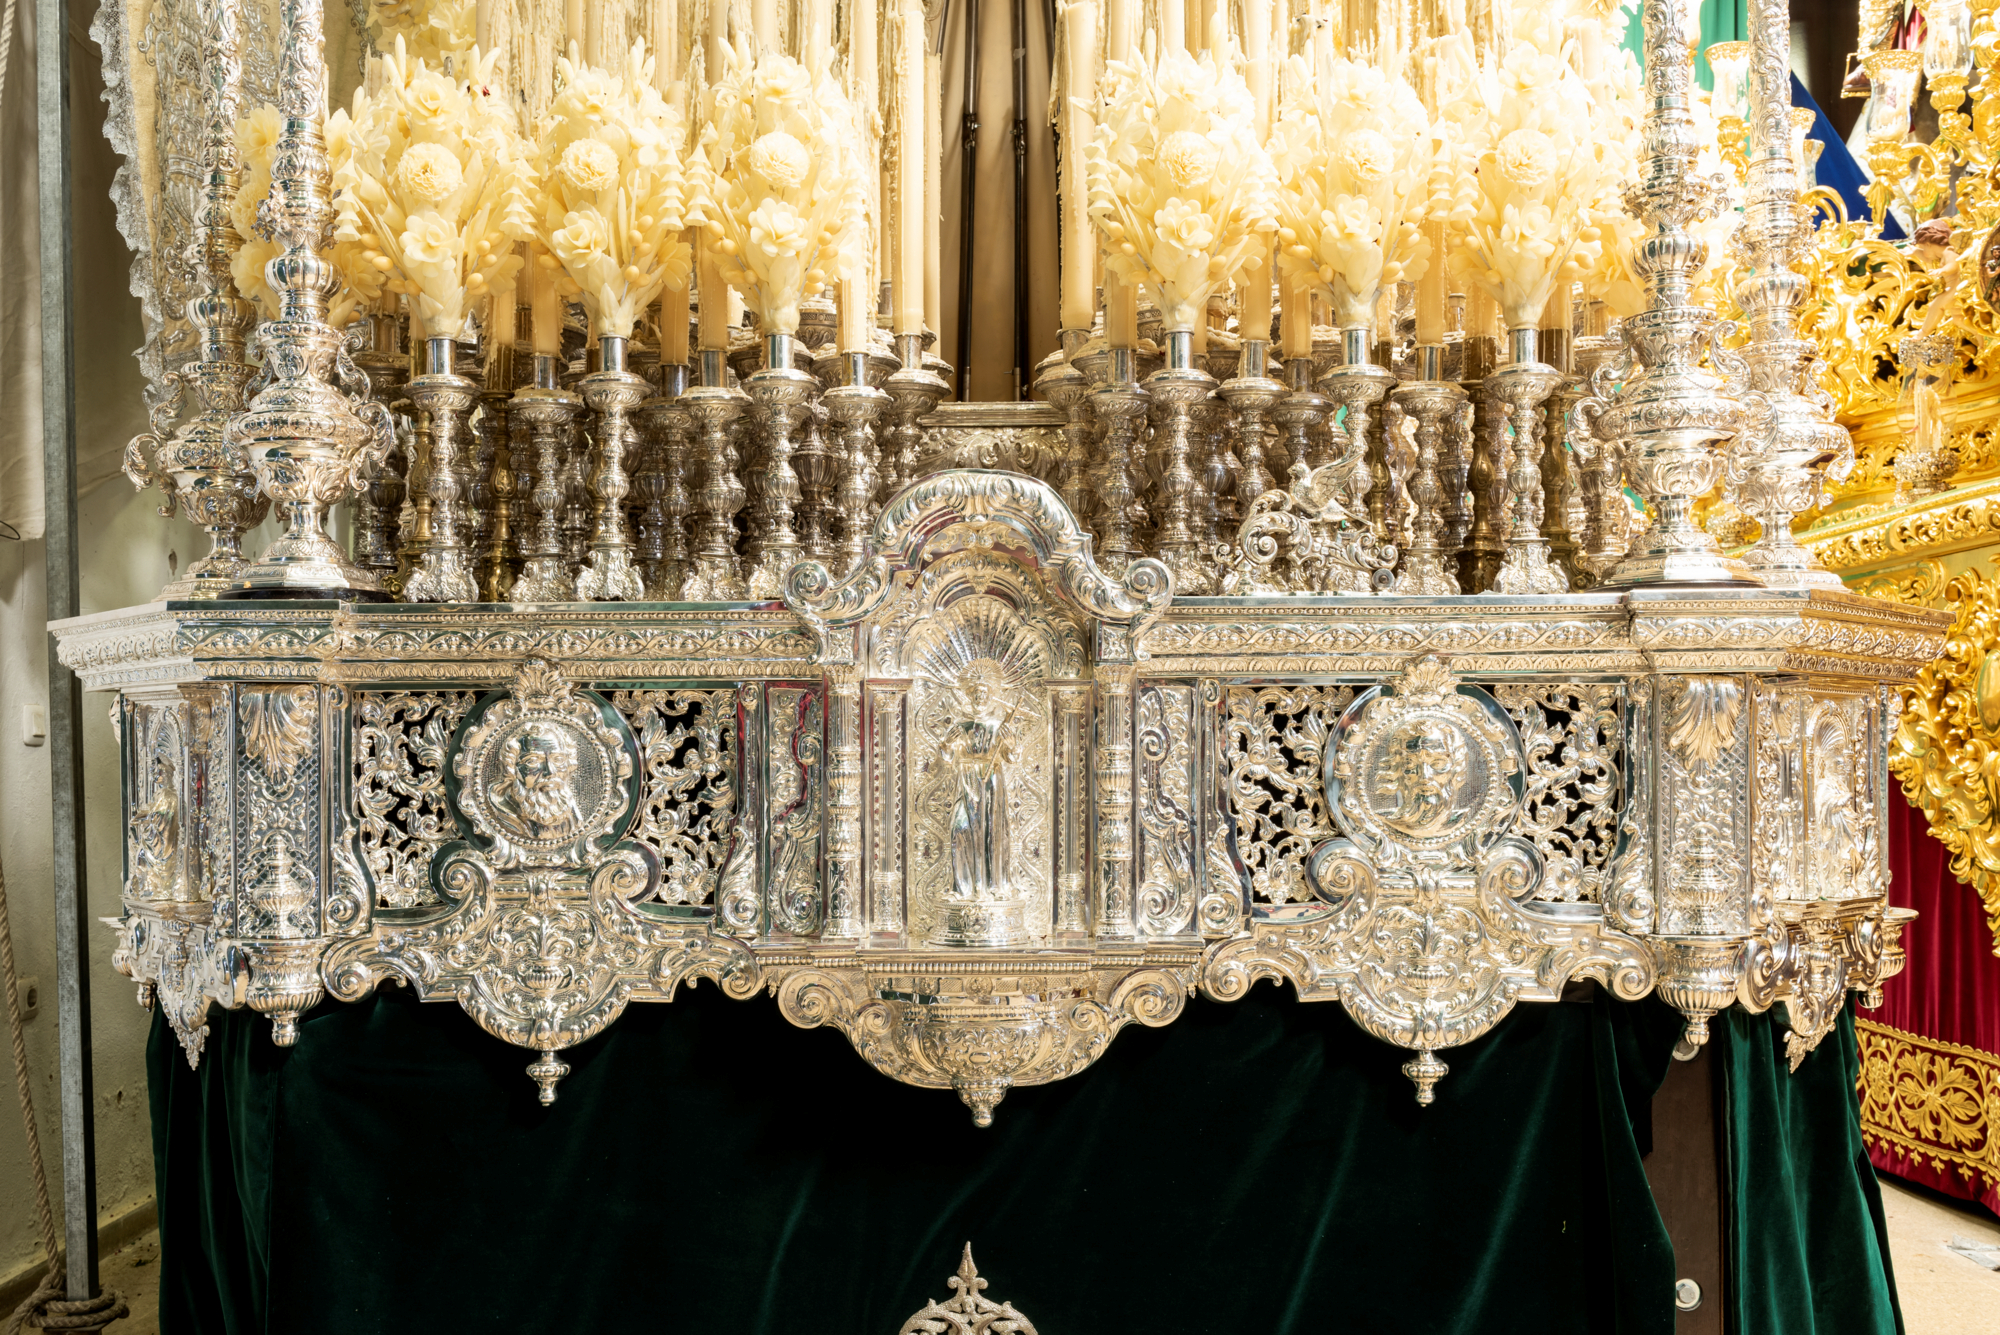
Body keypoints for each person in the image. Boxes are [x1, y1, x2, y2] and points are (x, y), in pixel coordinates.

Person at [491, 724, 587, 842]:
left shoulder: (570, 810)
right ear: (512, 768)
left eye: (558, 759)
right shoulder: (500, 813)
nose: (550, 772)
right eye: (532, 761)